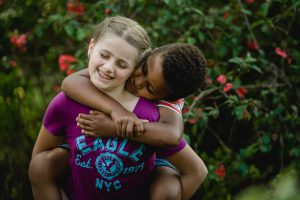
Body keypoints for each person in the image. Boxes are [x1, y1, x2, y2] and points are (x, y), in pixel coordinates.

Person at [29, 16, 207, 199]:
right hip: (81, 170)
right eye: (143, 70)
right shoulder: (79, 92)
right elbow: (70, 82)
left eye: (150, 88)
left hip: (152, 162)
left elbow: (172, 136)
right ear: (144, 59)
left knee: (167, 188)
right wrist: (118, 111)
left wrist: (114, 128)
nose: (137, 81)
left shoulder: (162, 106)